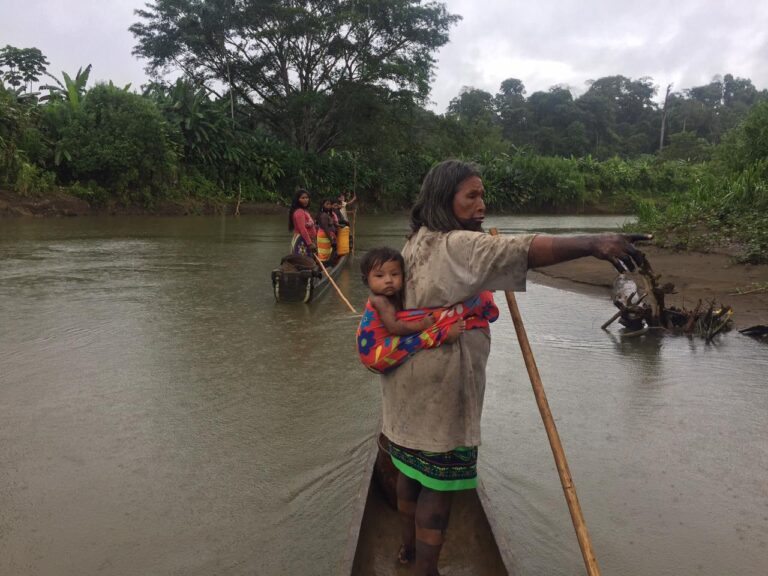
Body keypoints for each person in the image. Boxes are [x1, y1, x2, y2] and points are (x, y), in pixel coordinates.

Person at [383, 159, 649, 575]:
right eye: (471, 196)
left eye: (482, 195)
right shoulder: (459, 245)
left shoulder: (417, 240)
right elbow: (522, 248)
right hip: (442, 383)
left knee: (410, 468)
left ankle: (406, 550)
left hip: (406, 378)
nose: (481, 204)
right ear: (444, 199)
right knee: (438, 482)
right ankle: (425, 571)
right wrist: (595, 242)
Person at [357, 247, 500, 374]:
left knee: (418, 321)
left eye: (394, 274)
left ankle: (471, 307)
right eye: (379, 276)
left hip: (376, 351)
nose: (388, 280)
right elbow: (394, 327)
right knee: (416, 337)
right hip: (377, 354)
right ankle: (445, 334)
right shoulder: (380, 301)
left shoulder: (389, 295)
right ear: (366, 280)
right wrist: (422, 325)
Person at [288, 189, 316, 257]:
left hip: (305, 239)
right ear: (297, 199)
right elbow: (302, 229)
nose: (306, 200)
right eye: (303, 198)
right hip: (302, 241)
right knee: (302, 261)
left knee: (307, 260)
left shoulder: (304, 211)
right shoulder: (299, 212)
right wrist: (309, 243)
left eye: (307, 198)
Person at [315, 198, 337, 263]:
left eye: (330, 204)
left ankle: (325, 264)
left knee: (325, 253)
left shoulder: (325, 214)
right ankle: (324, 266)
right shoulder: (324, 215)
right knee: (324, 253)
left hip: (325, 236)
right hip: (325, 236)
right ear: (322, 205)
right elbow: (326, 228)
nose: (329, 205)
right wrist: (331, 240)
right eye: (327, 204)